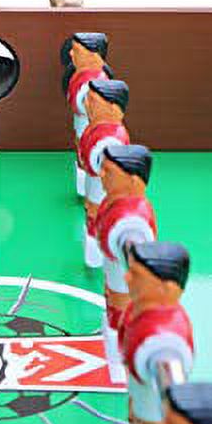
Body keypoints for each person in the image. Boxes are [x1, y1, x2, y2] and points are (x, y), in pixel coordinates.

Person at [120, 241, 194, 424]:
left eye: (136, 275)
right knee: (138, 423)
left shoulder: (164, 339)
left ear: (166, 289)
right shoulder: (138, 311)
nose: (126, 278)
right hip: (138, 386)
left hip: (147, 398)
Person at [94, 144, 157, 380]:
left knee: (120, 300)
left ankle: (120, 355)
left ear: (132, 180)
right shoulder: (113, 204)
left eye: (108, 171)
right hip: (113, 275)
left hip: (121, 289)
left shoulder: (133, 222)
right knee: (115, 297)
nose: (101, 174)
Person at [78, 79, 130, 267]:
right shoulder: (96, 129)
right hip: (94, 184)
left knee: (96, 213)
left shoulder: (111, 139)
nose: (86, 103)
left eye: (93, 101)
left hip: (100, 189)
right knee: (92, 211)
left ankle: (95, 250)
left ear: (113, 108)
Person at [62, 32, 111, 196]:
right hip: (81, 121)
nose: (71, 53)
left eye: (77, 51)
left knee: (88, 150)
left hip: (89, 124)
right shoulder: (79, 75)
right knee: (81, 146)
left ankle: (90, 189)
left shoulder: (97, 80)